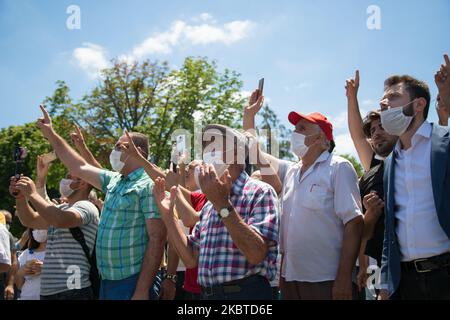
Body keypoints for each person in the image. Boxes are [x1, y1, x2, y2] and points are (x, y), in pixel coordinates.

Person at [34, 105, 166, 300]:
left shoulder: (149, 184)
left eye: (119, 146)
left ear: (137, 151)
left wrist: (141, 290)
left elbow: (157, 239)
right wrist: (51, 134)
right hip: (107, 281)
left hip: (132, 283)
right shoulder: (114, 180)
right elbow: (78, 166)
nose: (114, 151)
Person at [244, 88, 364, 300]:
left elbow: (354, 223)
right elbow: (255, 153)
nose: (294, 133)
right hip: (291, 280)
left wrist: (345, 277)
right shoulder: (291, 171)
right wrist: (249, 116)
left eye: (302, 128)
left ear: (321, 138)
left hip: (326, 280)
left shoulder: (339, 167)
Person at [154, 124, 280, 300]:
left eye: (213, 145)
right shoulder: (209, 203)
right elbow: (190, 259)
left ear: (236, 152)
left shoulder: (260, 192)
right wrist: (168, 217)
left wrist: (222, 205)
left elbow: (256, 254)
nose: (207, 152)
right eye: (205, 147)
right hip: (207, 295)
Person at [379, 71, 450, 300]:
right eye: (383, 99)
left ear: (418, 104)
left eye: (392, 96)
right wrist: (384, 283)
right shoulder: (390, 162)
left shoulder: (445, 143)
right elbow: (391, 229)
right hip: (405, 283)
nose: (383, 103)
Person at [345, 71, 398, 295]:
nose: (375, 134)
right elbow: (357, 135)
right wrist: (352, 98)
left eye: (382, 126)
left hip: (415, 260)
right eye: (373, 130)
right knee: (375, 294)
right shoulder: (374, 167)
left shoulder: (414, 158)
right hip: (377, 260)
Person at [10, 172, 99, 300]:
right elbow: (29, 220)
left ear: (83, 183)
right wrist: (20, 196)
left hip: (73, 289)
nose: (64, 180)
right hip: (50, 291)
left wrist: (33, 194)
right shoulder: (62, 208)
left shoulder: (86, 206)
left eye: (69, 177)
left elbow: (60, 220)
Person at [15, 228, 47, 300]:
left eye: (40, 226)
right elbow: (19, 285)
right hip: (27, 296)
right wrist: (21, 272)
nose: (38, 230)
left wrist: (45, 269)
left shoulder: (57, 252)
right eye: (34, 228)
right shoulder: (26, 253)